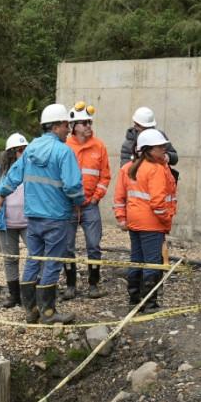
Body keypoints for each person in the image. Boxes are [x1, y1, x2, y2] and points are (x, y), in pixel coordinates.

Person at [0, 103, 85, 325]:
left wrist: (2, 194)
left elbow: (14, 174)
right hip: (57, 217)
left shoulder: (31, 149)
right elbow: (73, 186)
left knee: (33, 260)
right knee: (52, 262)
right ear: (55, 126)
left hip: (33, 217)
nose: (68, 130)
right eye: (65, 125)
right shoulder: (64, 152)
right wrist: (79, 202)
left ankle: (31, 309)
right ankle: (48, 313)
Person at [112, 128, 177, 310]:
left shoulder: (132, 167)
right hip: (152, 224)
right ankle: (149, 302)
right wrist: (166, 219)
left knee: (137, 259)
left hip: (135, 222)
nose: (164, 149)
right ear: (149, 149)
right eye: (160, 147)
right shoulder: (155, 169)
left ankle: (135, 298)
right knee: (152, 262)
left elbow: (121, 196)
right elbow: (158, 203)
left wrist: (122, 217)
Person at [62, 102, 110, 300]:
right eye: (84, 123)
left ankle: (94, 284)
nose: (89, 126)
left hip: (90, 206)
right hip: (68, 206)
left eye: (89, 122)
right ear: (74, 126)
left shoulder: (99, 146)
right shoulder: (65, 147)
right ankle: (70, 286)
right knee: (67, 247)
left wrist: (96, 197)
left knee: (94, 245)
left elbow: (105, 176)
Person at [0, 133, 29, 308]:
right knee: (10, 259)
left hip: (29, 222)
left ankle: (33, 292)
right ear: (11, 152)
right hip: (5, 223)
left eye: (25, 149)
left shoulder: (32, 170)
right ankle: (14, 296)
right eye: (20, 150)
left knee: (37, 256)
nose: (23, 153)